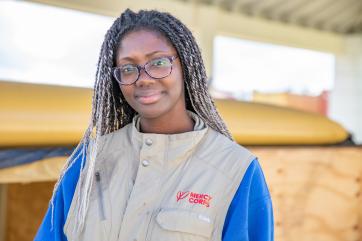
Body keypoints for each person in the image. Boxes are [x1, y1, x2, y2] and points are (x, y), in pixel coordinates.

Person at [34, 8, 274, 241]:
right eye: (128, 68)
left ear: (186, 65)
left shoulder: (236, 170)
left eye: (158, 63)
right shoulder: (89, 162)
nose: (144, 79)